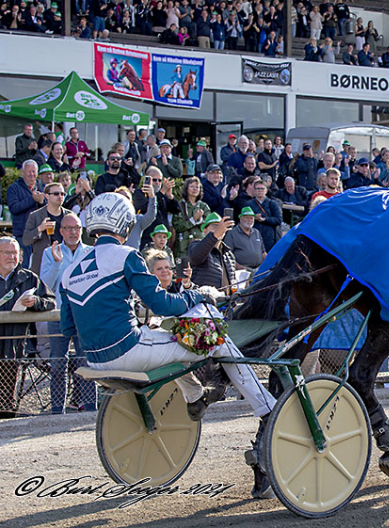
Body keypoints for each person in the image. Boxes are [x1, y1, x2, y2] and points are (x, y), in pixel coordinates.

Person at [60, 193, 276, 497]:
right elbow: (161, 303)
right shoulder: (127, 256)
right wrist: (199, 296)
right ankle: (268, 407)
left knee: (175, 339)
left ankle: (194, 395)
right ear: (122, 223)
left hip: (95, 361)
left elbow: (68, 327)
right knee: (217, 338)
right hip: (131, 351)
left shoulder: (69, 272)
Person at [40, 213, 96, 414]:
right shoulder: (49, 252)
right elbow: (45, 284)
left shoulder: (91, 252)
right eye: (69, 228)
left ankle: (91, 408)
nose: (73, 232)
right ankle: (57, 410)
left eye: (77, 228)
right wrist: (56, 263)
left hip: (84, 315)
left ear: (82, 230)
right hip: (58, 314)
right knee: (57, 363)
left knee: (86, 361)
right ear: (61, 231)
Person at [0, 237, 55, 419]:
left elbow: (50, 301)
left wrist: (35, 302)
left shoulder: (28, 278)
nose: (12, 257)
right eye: (7, 253)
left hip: (16, 345)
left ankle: (8, 424)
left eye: (15, 253)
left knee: (9, 394)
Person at [22, 182, 68, 276]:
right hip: (42, 263)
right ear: (47, 196)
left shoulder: (69, 216)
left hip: (65, 261)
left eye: (62, 194)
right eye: (56, 194)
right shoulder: (35, 216)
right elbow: (26, 240)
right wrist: (40, 228)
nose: (60, 196)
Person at [8, 160, 46, 267]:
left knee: (39, 267)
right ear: (23, 172)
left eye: (34, 171)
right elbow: (14, 208)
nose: (31, 174)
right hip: (23, 235)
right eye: (29, 172)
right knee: (23, 267)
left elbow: (49, 207)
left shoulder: (42, 186)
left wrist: (42, 201)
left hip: (40, 235)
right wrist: (32, 199)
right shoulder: (14, 188)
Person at [187, 212, 237, 290]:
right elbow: (195, 257)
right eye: (214, 226)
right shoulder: (196, 245)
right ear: (204, 231)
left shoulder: (229, 254)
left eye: (220, 226)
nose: (218, 229)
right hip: (204, 299)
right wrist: (215, 235)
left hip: (226, 300)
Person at [173, 176, 210, 258]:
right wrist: (193, 220)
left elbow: (208, 226)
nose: (195, 189)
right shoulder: (180, 205)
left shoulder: (204, 206)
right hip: (183, 246)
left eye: (197, 187)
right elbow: (177, 226)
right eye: (192, 186)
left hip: (200, 244)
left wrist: (200, 219)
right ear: (186, 189)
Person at [247, 179, 282, 252]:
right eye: (258, 189)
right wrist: (253, 217)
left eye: (262, 189)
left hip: (269, 237)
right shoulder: (248, 204)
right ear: (255, 190)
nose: (260, 191)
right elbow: (243, 218)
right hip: (253, 236)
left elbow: (279, 219)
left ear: (266, 190)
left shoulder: (272, 203)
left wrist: (265, 219)